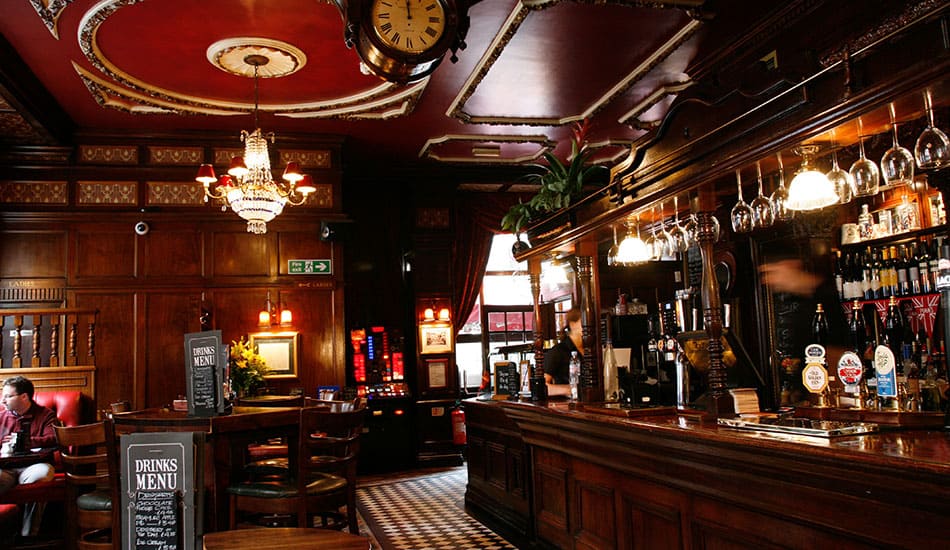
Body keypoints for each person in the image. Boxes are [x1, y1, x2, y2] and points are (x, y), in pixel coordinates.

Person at [0, 376, 58, 538]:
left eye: (8, 396)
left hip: (34, 464)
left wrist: (23, 441)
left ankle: (28, 535)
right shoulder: (2, 416)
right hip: (6, 467)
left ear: (24, 396)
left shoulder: (46, 415)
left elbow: (53, 438)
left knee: (41, 475)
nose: (3, 400)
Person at [543, 309, 584, 397]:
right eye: (583, 322)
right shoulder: (558, 351)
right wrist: (570, 389)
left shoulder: (592, 349)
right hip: (567, 406)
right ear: (572, 324)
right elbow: (542, 386)